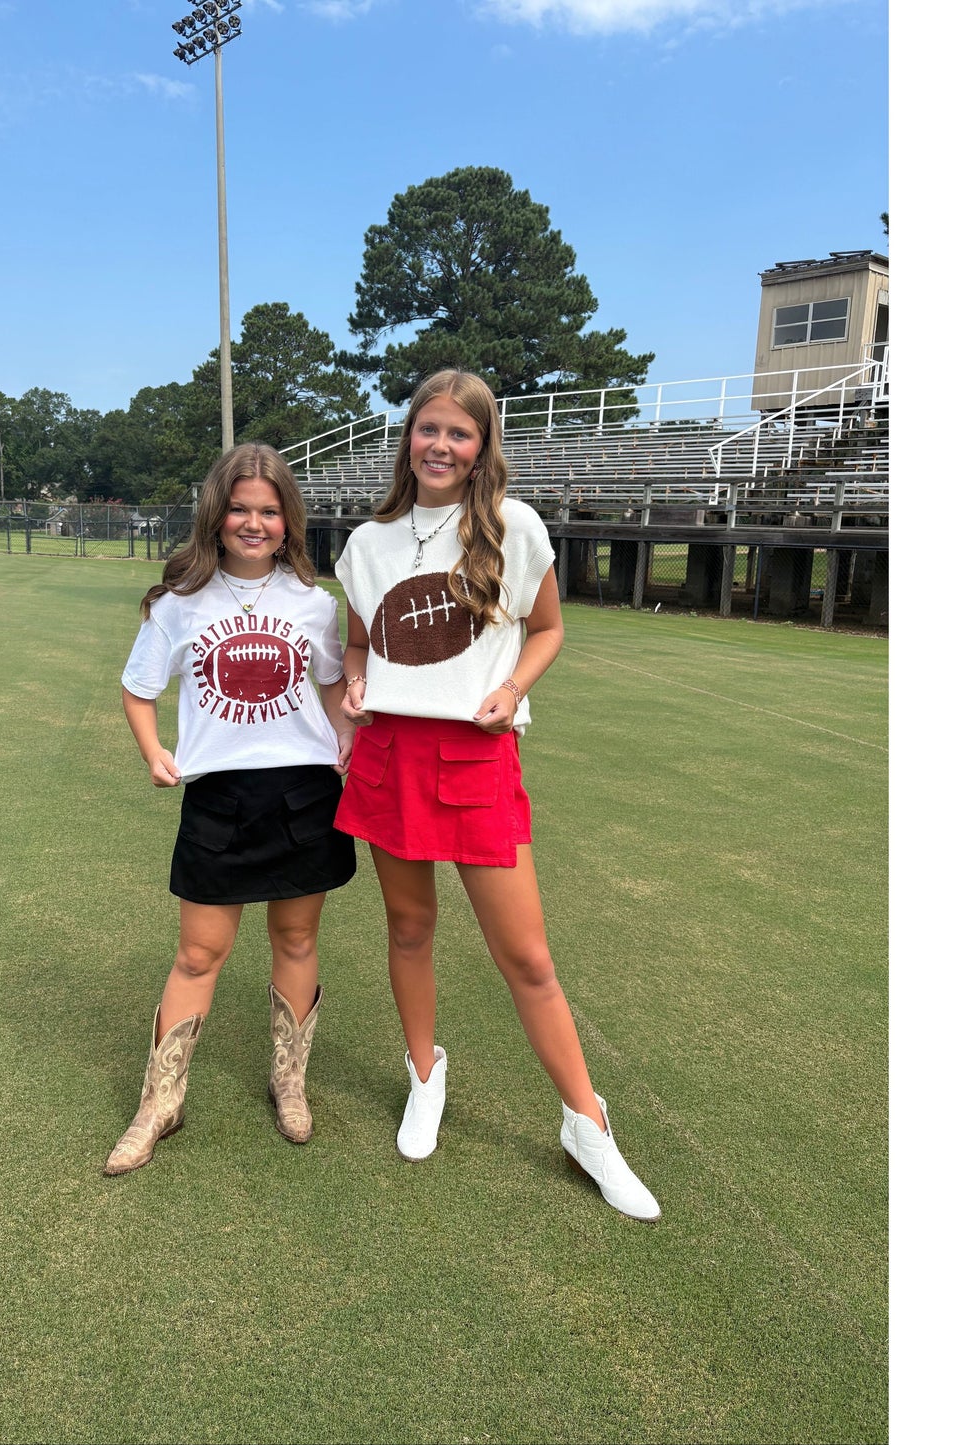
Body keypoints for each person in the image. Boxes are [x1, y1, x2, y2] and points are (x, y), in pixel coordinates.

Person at [333, 369, 660, 1221]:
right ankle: (424, 1075)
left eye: (459, 433)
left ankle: (586, 1124)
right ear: (409, 436)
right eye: (427, 429)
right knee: (409, 928)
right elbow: (360, 644)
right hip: (391, 754)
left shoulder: (514, 528)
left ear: (482, 447)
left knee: (528, 959)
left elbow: (548, 628)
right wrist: (355, 684)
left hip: (474, 759)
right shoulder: (367, 542)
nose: (439, 446)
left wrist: (511, 688)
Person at [105, 443, 356, 1176]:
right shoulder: (178, 604)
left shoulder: (314, 604)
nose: (254, 522)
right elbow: (137, 687)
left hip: (303, 791)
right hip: (218, 795)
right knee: (197, 952)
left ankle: (288, 1081)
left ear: (288, 522)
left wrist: (345, 734)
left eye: (269, 510)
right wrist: (154, 751)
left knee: (297, 941)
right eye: (240, 509)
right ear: (216, 519)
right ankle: (160, 1101)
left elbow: (337, 685)